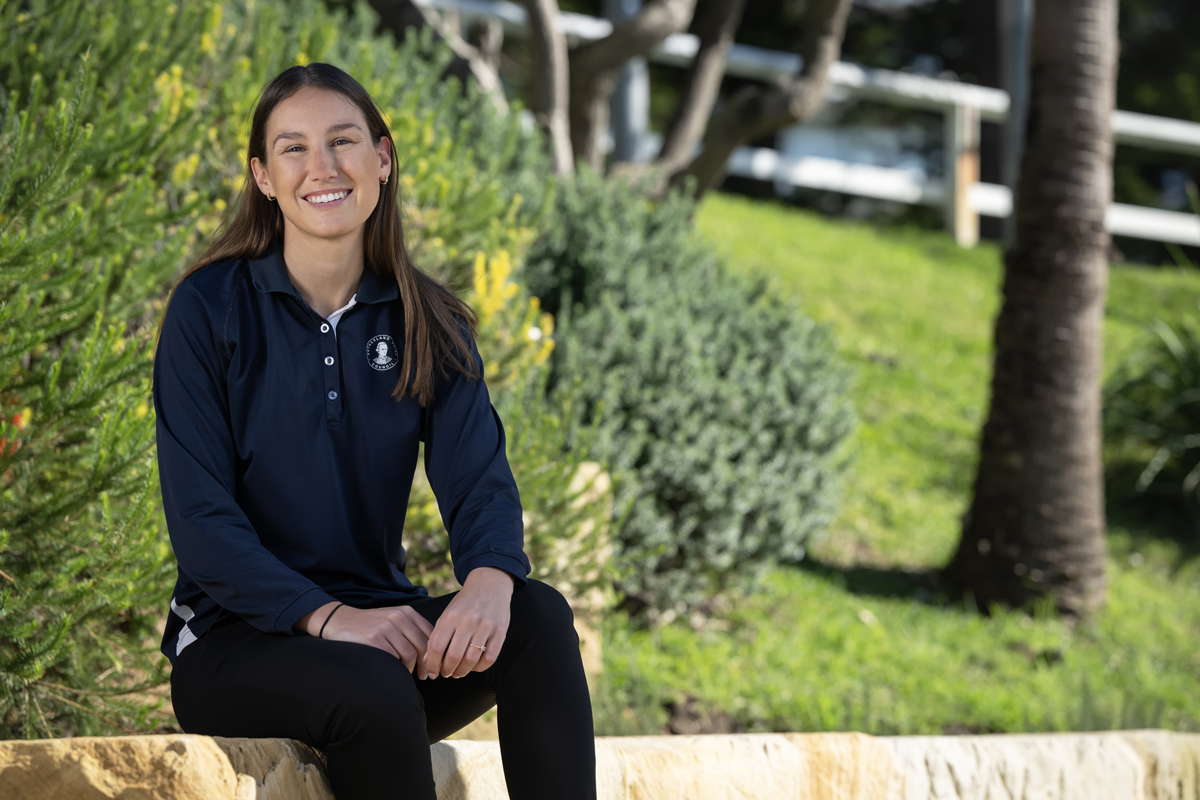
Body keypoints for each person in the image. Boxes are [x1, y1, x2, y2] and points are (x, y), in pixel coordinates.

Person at [154, 62, 597, 800]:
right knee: (374, 686)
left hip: (378, 632)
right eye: (293, 148)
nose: (321, 167)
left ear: (382, 159)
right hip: (234, 644)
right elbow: (203, 526)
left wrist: (491, 579)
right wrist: (329, 619)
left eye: (343, 141)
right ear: (263, 177)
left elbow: (479, 478)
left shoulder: (431, 320)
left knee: (540, 618)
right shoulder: (210, 310)